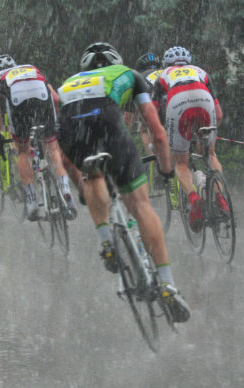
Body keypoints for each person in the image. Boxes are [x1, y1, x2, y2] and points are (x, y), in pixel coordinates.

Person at [56, 42, 190, 323]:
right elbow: (157, 131)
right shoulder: (130, 74)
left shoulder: (66, 85)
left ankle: (105, 240)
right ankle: (167, 284)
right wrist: (166, 172)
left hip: (71, 131)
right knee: (140, 206)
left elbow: (64, 158)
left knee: (92, 174)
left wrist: (81, 190)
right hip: (108, 123)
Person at [0, 54, 77, 221]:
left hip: (18, 103)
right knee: (52, 146)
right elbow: (56, 98)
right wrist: (56, 121)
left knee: (21, 151)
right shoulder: (32, 68)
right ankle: (65, 187)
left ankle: (32, 200)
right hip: (42, 99)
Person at [151, 46, 225, 232]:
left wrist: (157, 137)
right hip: (204, 100)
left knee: (180, 163)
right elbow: (219, 114)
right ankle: (220, 199)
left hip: (178, 103)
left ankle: (194, 199)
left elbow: (151, 112)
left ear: (166, 64)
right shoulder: (200, 72)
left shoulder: (163, 75)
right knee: (210, 154)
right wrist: (206, 138)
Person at [126, 52, 163, 154]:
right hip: (174, 102)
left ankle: (154, 159)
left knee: (144, 128)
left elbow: (128, 117)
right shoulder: (166, 71)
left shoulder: (138, 77)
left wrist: (125, 135)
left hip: (154, 105)